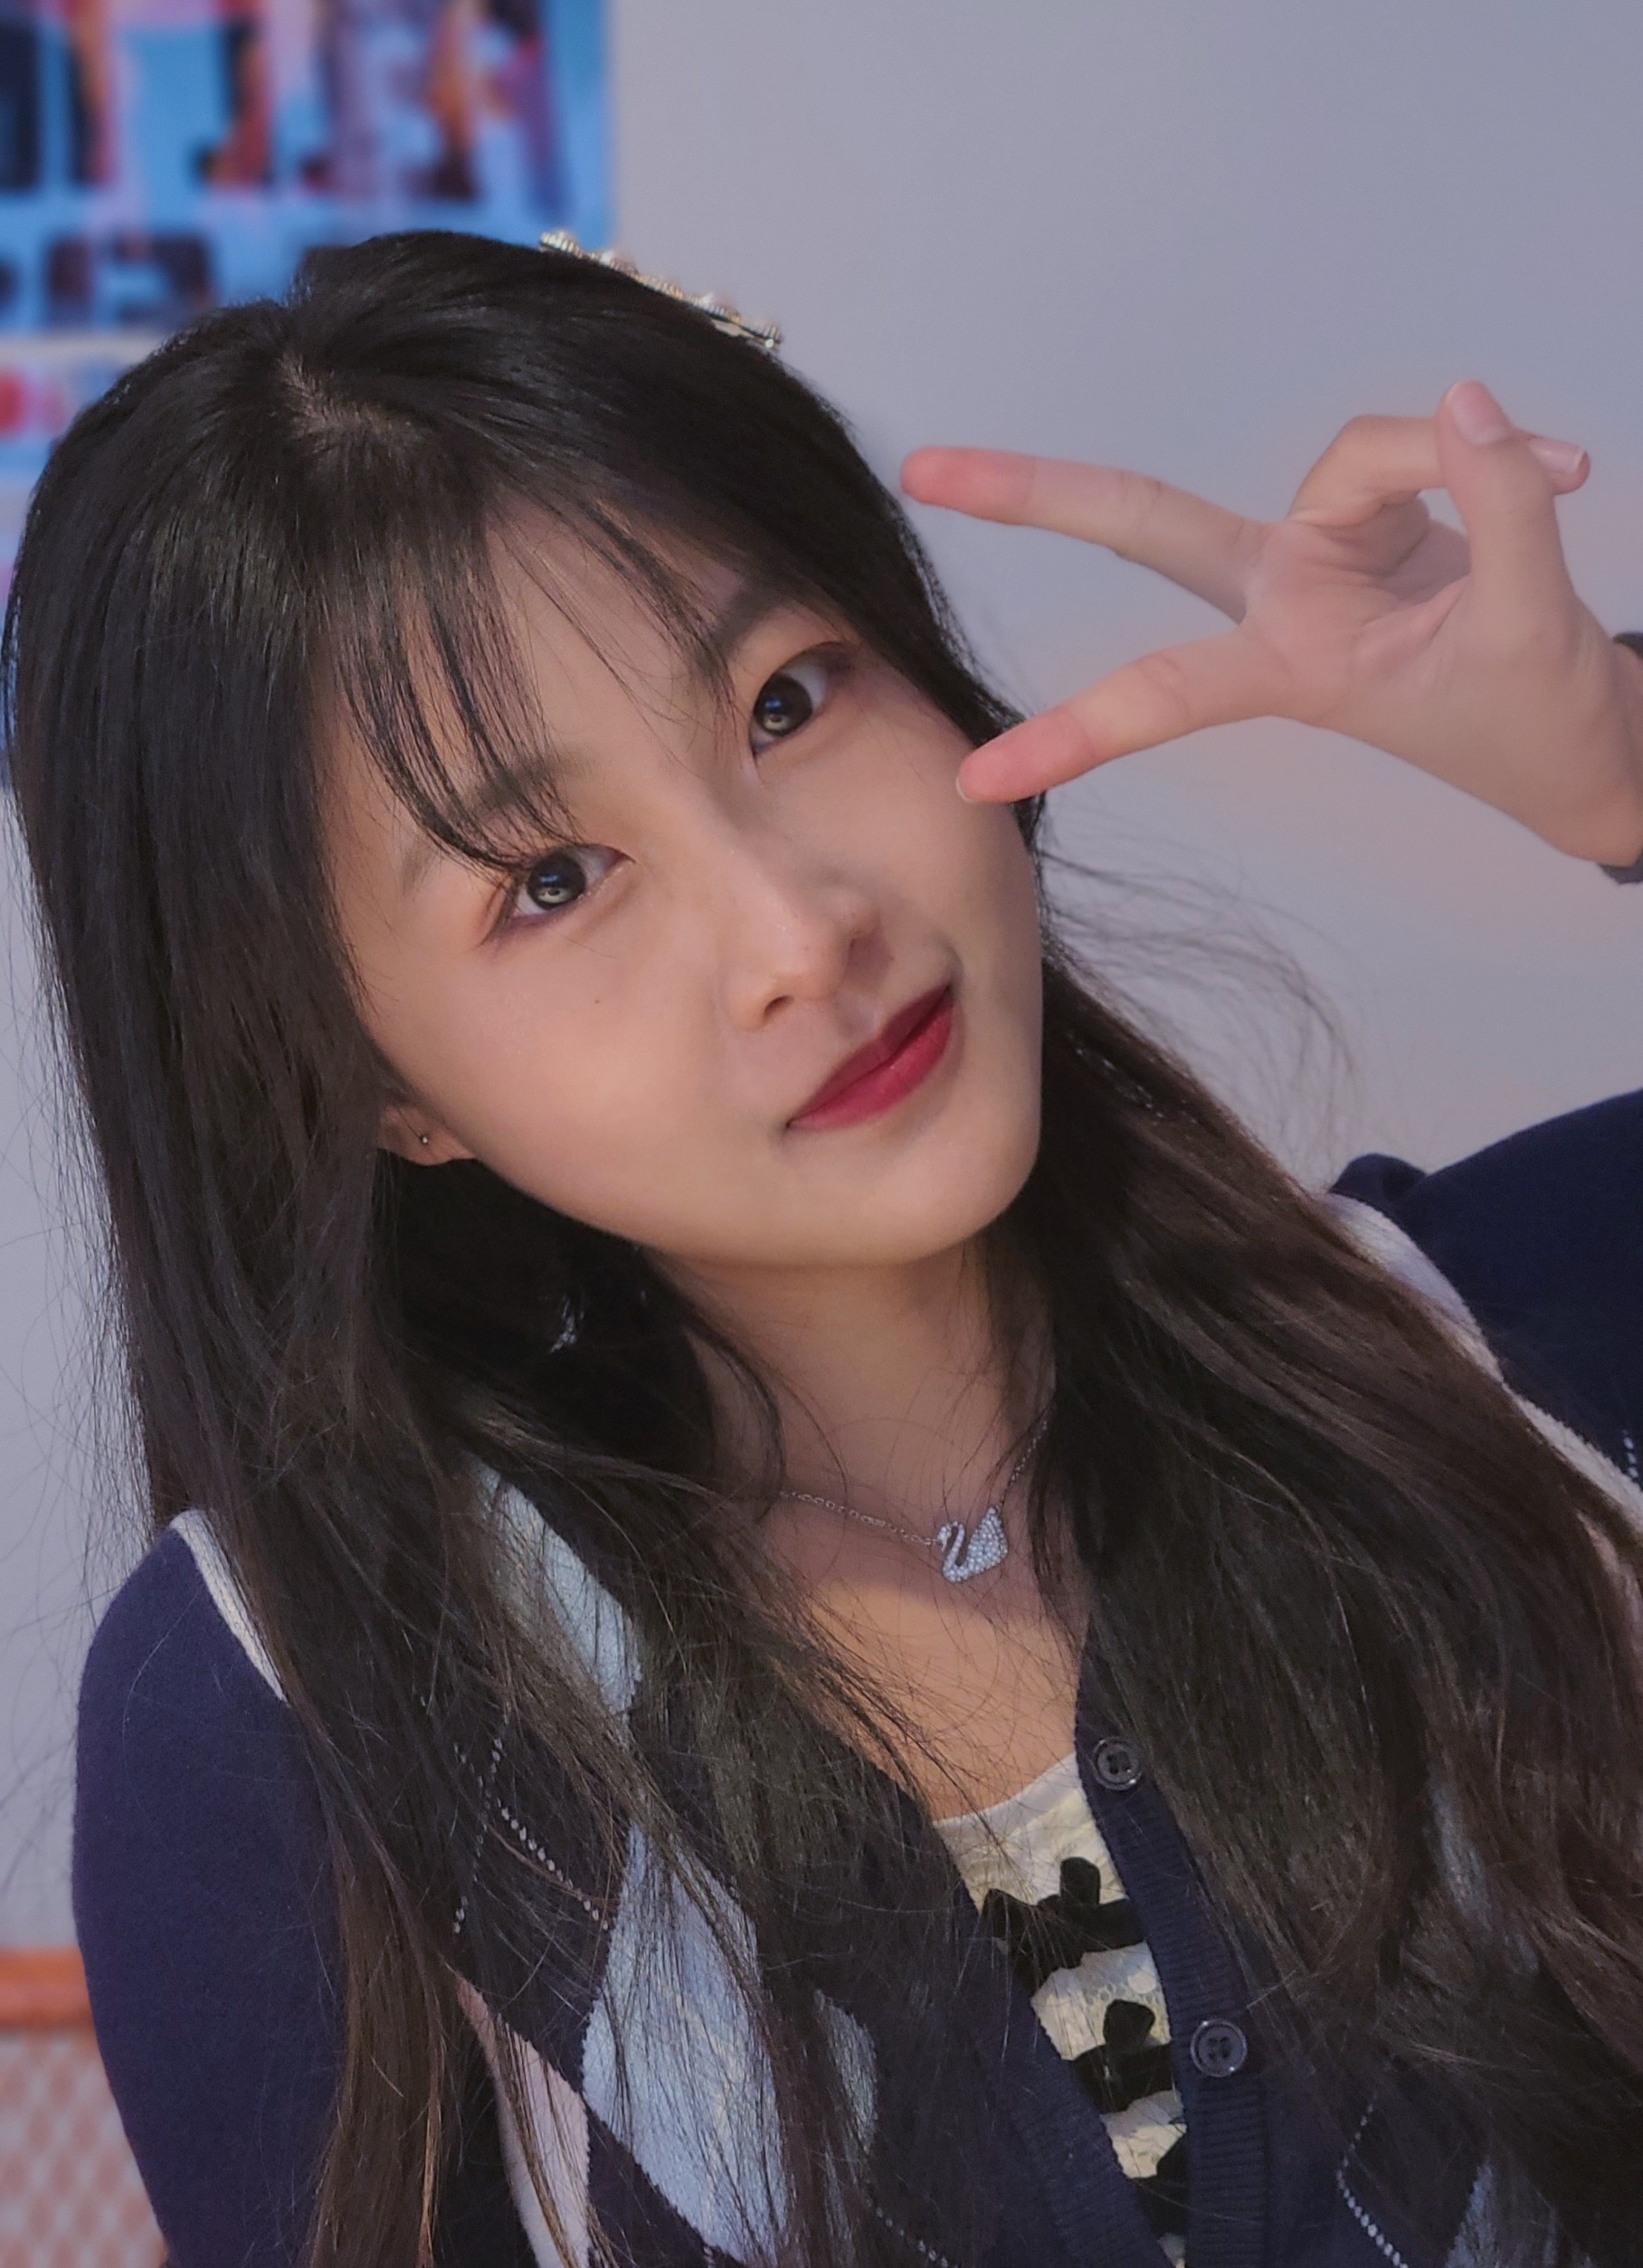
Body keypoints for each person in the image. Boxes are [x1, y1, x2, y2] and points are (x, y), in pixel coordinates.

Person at [8, 230, 1642, 2268]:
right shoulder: (297, 1719)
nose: (800, 932)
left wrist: (1620, 769)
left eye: (785, 700)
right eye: (551, 879)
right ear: (375, 1086)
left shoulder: (1513, 1341)